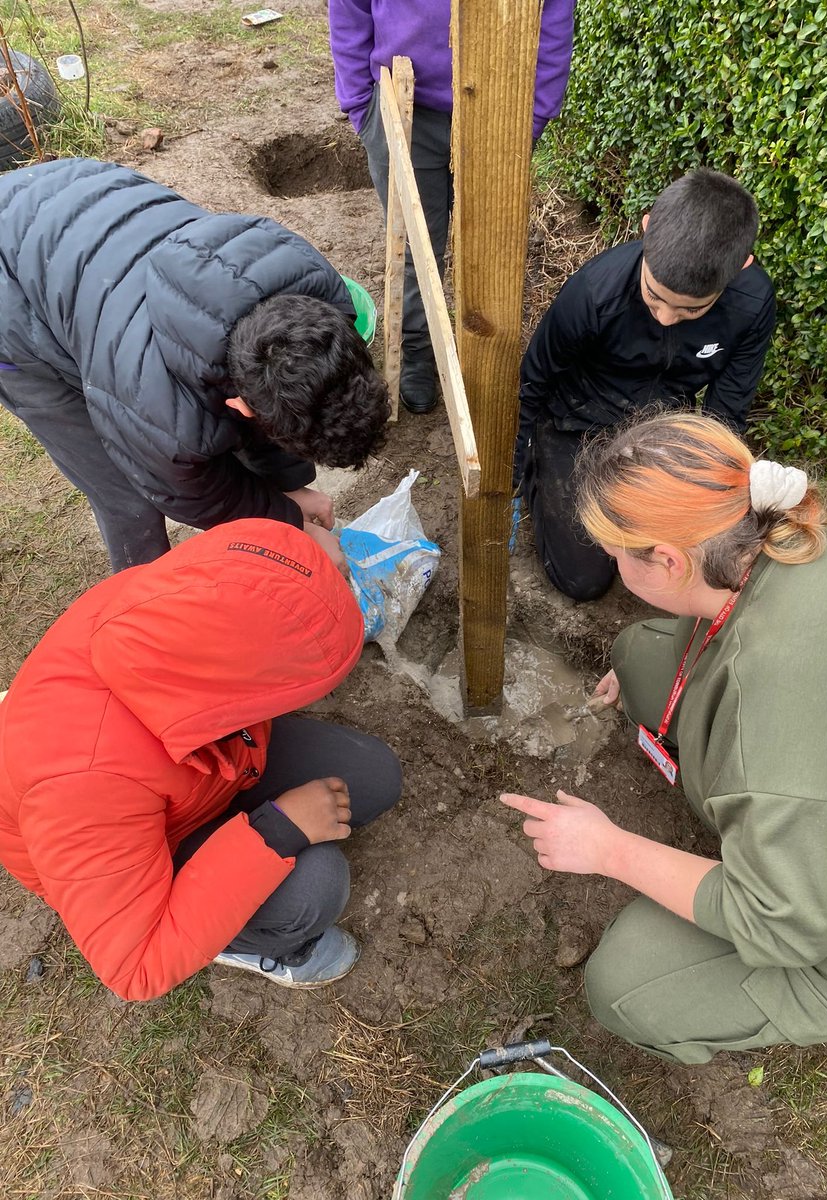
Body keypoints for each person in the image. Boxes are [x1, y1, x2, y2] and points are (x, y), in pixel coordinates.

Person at [503, 412, 827, 1064]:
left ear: (666, 559)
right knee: (640, 654)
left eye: (614, 553)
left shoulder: (782, 715)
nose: (606, 562)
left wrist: (608, 848)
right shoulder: (790, 530)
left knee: (629, 982)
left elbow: (785, 926)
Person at [0, 518, 402, 1001]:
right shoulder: (81, 786)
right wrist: (278, 831)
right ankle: (245, 944)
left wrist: (312, 573)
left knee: (373, 775)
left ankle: (243, 847)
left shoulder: (173, 600)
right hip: (148, 840)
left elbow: (264, 576)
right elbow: (135, 969)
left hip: (201, 766)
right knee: (316, 885)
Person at [0, 158, 390, 572]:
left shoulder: (320, 292)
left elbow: (282, 392)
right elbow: (192, 492)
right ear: (240, 406)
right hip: (12, 297)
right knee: (127, 491)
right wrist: (289, 524)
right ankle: (147, 605)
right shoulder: (155, 409)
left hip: (77, 196)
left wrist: (291, 490)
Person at [515, 169, 776, 601]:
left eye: (691, 311)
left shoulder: (752, 303)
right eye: (655, 296)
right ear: (648, 226)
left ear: (740, 267)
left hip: (659, 430)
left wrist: (705, 493)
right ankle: (539, 477)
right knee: (584, 579)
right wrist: (515, 457)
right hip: (575, 420)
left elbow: (725, 412)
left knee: (704, 562)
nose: (666, 317)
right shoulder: (594, 292)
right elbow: (535, 378)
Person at [328, 0, 575, 413]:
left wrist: (532, 116)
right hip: (404, 106)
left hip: (497, 105)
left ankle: (486, 360)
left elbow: (553, 15)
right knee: (415, 247)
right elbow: (349, 8)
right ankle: (419, 353)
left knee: (491, 243)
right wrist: (359, 103)